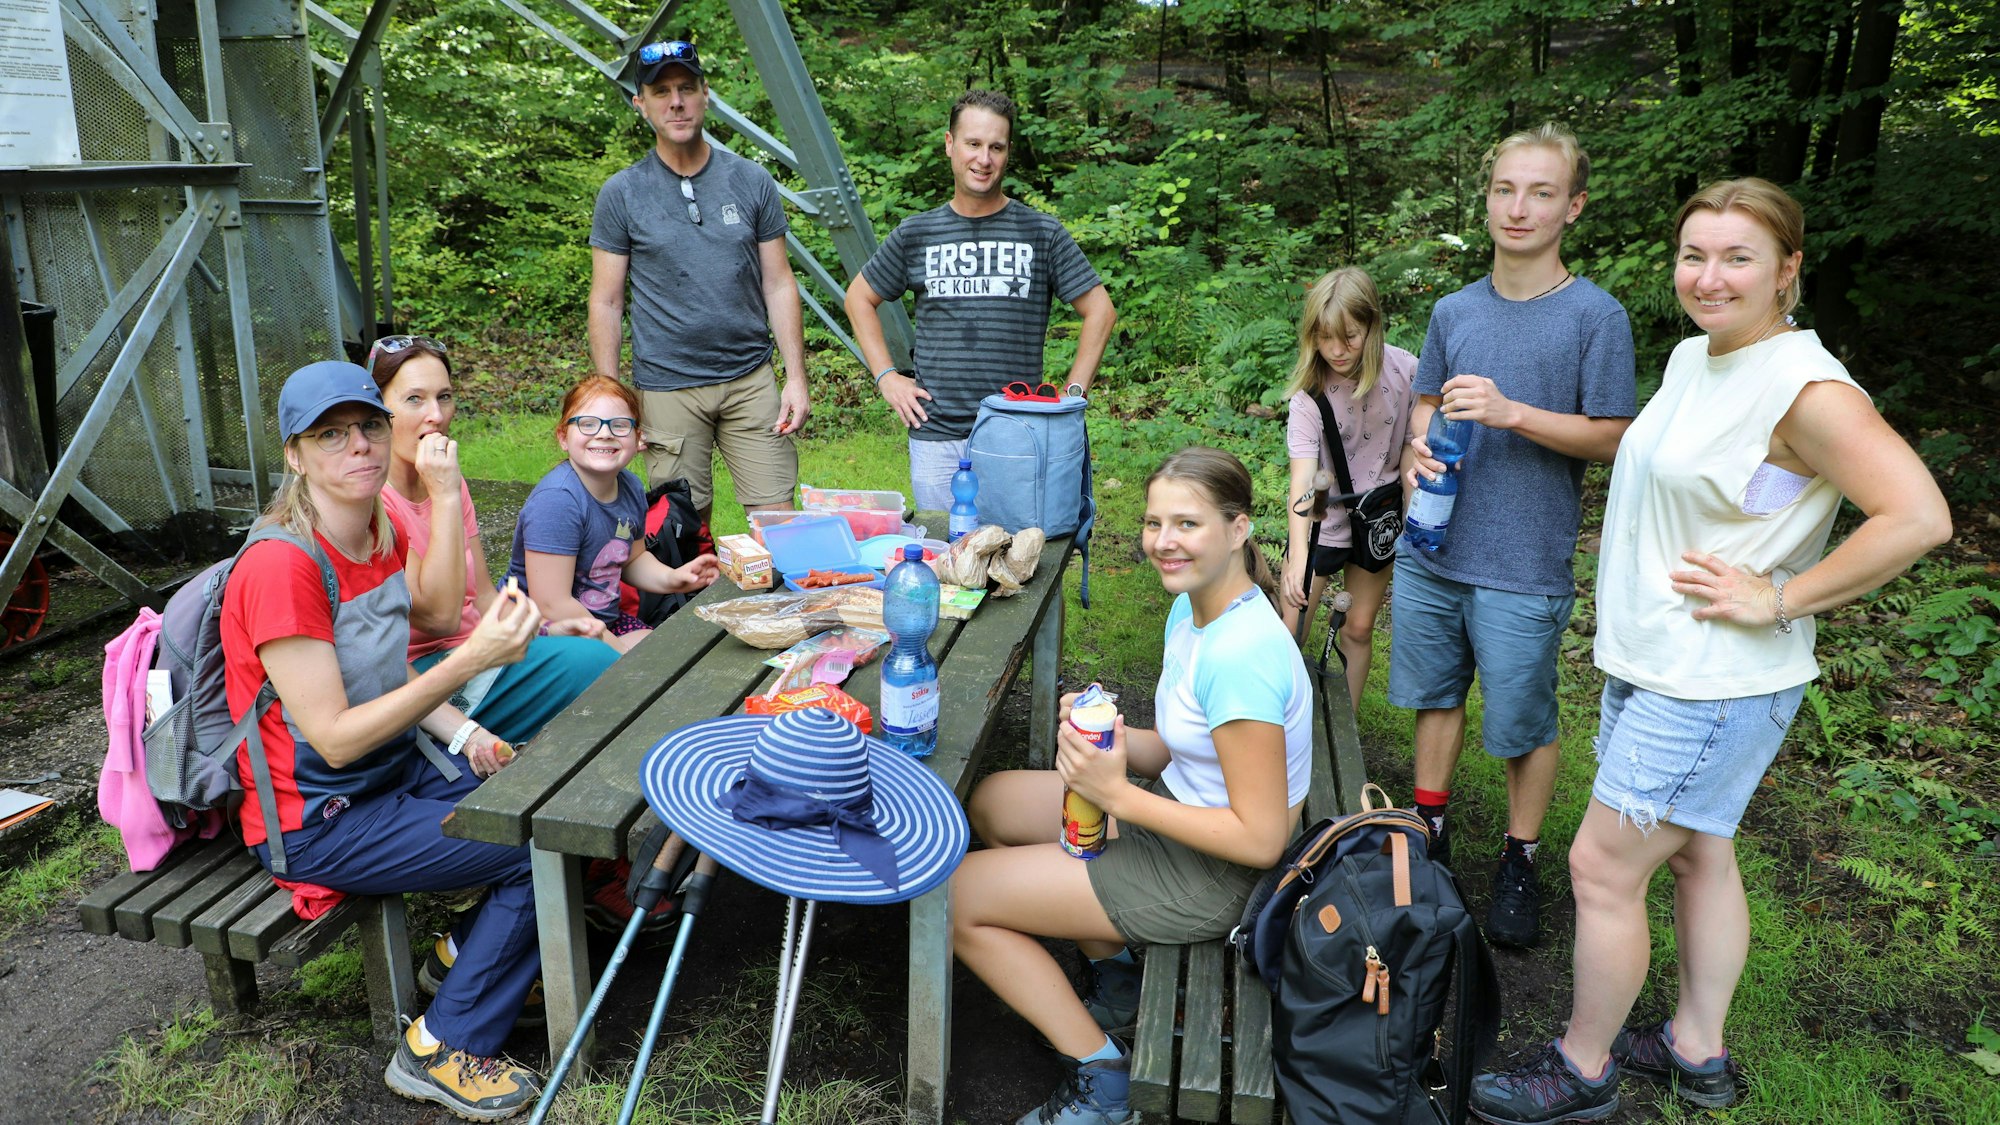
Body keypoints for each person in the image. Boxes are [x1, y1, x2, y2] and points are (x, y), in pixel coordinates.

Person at [1467, 178, 1952, 1125]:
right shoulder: (1698, 357)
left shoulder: (1806, 388)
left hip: (1712, 682)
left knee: (1602, 869)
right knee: (1702, 854)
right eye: (1695, 254)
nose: (1710, 275)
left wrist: (1778, 596)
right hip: (1661, 661)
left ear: (1788, 271)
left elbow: (1919, 516)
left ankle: (1582, 1067)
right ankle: (1697, 1049)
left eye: (1738, 257)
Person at [221, 360, 547, 1121]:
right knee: (537, 838)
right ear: (295, 455)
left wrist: (465, 729)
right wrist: (470, 663)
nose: (358, 447)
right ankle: (437, 1046)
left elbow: (424, 624)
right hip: (319, 819)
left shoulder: (380, 524)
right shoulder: (281, 566)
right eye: (330, 435)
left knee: (545, 789)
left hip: (389, 773)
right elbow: (332, 738)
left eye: (367, 426)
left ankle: (460, 960)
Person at [951, 447, 1313, 1125]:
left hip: (1216, 873)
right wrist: (1115, 738)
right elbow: (1184, 748)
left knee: (952, 896)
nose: (1163, 541)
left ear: (1238, 528)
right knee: (993, 799)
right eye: (1154, 523)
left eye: (1187, 523)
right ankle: (1119, 982)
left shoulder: (1242, 655)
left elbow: (1263, 839)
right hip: (1179, 813)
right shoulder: (1195, 609)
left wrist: (1117, 795)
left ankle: (1101, 1078)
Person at [1391, 122, 1637, 948]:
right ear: (1487, 196)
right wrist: (1415, 448)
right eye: (1504, 188)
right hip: (1435, 550)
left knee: (1522, 720)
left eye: (1540, 192)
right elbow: (1424, 399)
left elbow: (1613, 435)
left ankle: (1520, 859)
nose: (1518, 207)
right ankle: (1430, 836)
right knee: (1435, 695)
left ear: (1574, 205)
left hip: (1523, 560)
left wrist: (1512, 413)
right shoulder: (1454, 308)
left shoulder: (1595, 317)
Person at [845, 88, 1116, 511]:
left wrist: (1073, 394)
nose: (983, 159)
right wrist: (886, 377)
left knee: (1024, 560)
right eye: (973, 144)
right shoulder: (917, 233)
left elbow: (1100, 310)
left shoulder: (1040, 232)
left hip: (1018, 431)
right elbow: (859, 297)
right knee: (950, 562)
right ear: (951, 144)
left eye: (996, 147)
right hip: (936, 434)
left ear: (1007, 154)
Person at [588, 39, 808, 525]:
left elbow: (779, 283)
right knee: (681, 536)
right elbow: (606, 301)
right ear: (640, 104)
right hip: (667, 388)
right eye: (661, 91)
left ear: (706, 94)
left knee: (780, 527)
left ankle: (773, 604)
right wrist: (610, 396)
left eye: (687, 88)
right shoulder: (622, 193)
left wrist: (796, 377)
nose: (677, 102)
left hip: (750, 381)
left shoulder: (750, 181)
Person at [368, 334, 620, 744]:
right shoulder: (376, 503)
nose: (436, 415)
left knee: (599, 659)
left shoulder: (452, 483)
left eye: (444, 397)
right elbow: (440, 618)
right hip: (423, 678)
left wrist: (542, 632)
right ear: (379, 411)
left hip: (483, 652)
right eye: (414, 399)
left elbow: (483, 596)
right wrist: (444, 494)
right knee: (599, 669)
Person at [1279, 267, 1418, 712]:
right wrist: (1297, 553)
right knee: (1291, 630)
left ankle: (1345, 729)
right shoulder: (1308, 395)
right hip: (1322, 523)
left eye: (1350, 337)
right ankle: (1276, 727)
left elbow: (1416, 446)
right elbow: (1302, 477)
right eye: (1324, 338)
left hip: (1378, 518)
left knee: (1358, 628)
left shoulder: (1407, 372)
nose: (1336, 351)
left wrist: (1413, 519)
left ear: (1373, 326)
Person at [506, 376, 718, 654]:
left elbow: (634, 558)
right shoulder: (558, 501)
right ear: (563, 438)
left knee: (673, 655)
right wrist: (618, 653)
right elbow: (552, 603)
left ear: (638, 438)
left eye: (619, 425)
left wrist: (673, 578)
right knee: (641, 675)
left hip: (602, 620)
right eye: (588, 424)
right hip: (540, 629)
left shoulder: (629, 485)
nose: (604, 433)